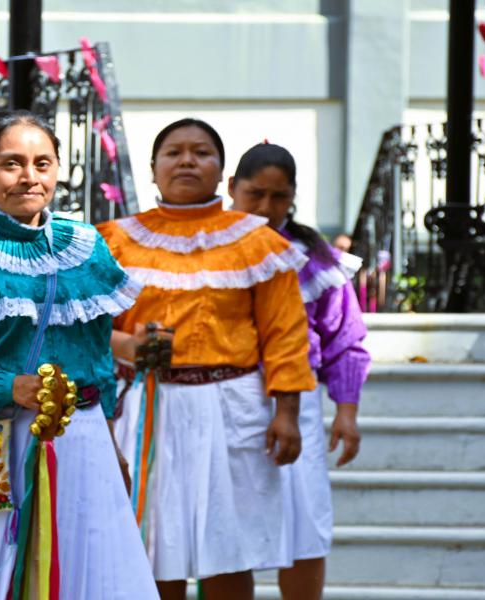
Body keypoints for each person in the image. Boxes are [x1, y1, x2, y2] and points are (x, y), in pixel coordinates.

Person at [0, 110, 157, 600]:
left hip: (82, 440)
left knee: (92, 569)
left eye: (43, 163)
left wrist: (111, 438)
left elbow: (97, 354)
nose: (29, 177)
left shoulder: (85, 246)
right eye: (11, 163)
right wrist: (4, 387)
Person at [97, 118, 316, 600]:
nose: (188, 161)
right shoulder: (112, 242)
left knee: (228, 544)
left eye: (202, 152)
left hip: (233, 406)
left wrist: (287, 413)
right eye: (174, 152)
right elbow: (84, 327)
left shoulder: (259, 242)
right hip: (145, 408)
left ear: (223, 175)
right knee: (151, 542)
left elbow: (284, 334)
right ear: (153, 170)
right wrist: (126, 346)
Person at [229, 142, 369, 600]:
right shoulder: (208, 246)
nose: (266, 207)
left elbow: (344, 339)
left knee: (304, 522)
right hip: (225, 395)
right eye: (255, 194)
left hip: (298, 402)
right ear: (232, 189)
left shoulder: (315, 258)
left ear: (293, 198)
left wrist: (346, 411)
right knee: (230, 527)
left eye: (279, 197)